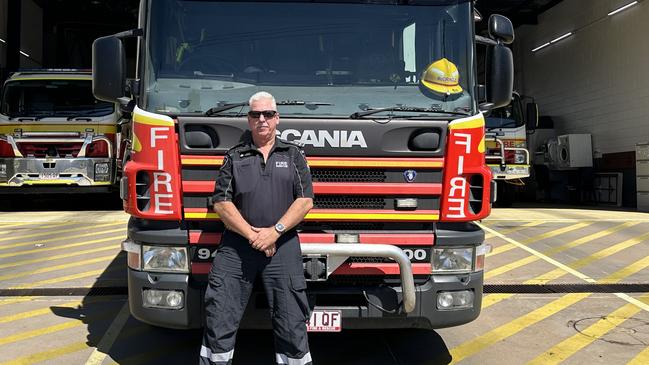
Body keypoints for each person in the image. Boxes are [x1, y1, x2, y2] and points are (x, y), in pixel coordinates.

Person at [200, 91, 315, 365]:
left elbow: (305, 201)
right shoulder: (234, 156)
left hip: (283, 246)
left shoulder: (294, 154)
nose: (262, 119)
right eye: (255, 115)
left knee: (291, 322)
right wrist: (254, 236)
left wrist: (274, 232)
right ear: (249, 120)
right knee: (220, 316)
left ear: (277, 118)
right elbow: (221, 203)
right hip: (237, 247)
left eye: (268, 114)